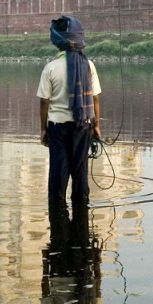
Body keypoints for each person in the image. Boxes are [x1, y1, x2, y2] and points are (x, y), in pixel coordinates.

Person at [37, 15, 102, 205]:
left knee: (58, 169)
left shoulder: (50, 68)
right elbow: (95, 97)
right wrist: (96, 125)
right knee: (80, 170)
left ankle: (57, 213)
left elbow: (44, 101)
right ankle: (81, 212)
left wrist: (43, 129)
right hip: (83, 125)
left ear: (57, 42)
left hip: (57, 127)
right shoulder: (88, 65)